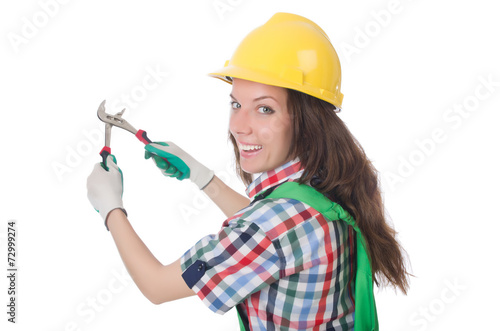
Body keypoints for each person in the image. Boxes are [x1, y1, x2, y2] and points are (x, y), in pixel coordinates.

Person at [87, 12, 410, 330]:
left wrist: (110, 207)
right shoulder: (324, 187)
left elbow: (157, 286)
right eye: (236, 104)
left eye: (264, 109)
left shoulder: (272, 226)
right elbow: (278, 233)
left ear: (308, 120)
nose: (239, 127)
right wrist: (202, 177)